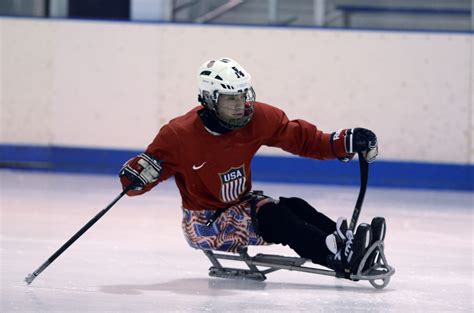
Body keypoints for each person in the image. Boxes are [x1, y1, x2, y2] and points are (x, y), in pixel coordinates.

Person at [119, 57, 382, 279]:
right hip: (204, 223)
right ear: (209, 99)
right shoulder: (179, 135)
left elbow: (303, 140)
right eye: (230, 98)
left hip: (241, 204)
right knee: (276, 217)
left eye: (243, 95)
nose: (240, 105)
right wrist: (136, 175)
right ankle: (334, 257)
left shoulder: (256, 119)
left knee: (295, 206)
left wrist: (343, 142)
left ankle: (343, 243)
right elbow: (142, 175)